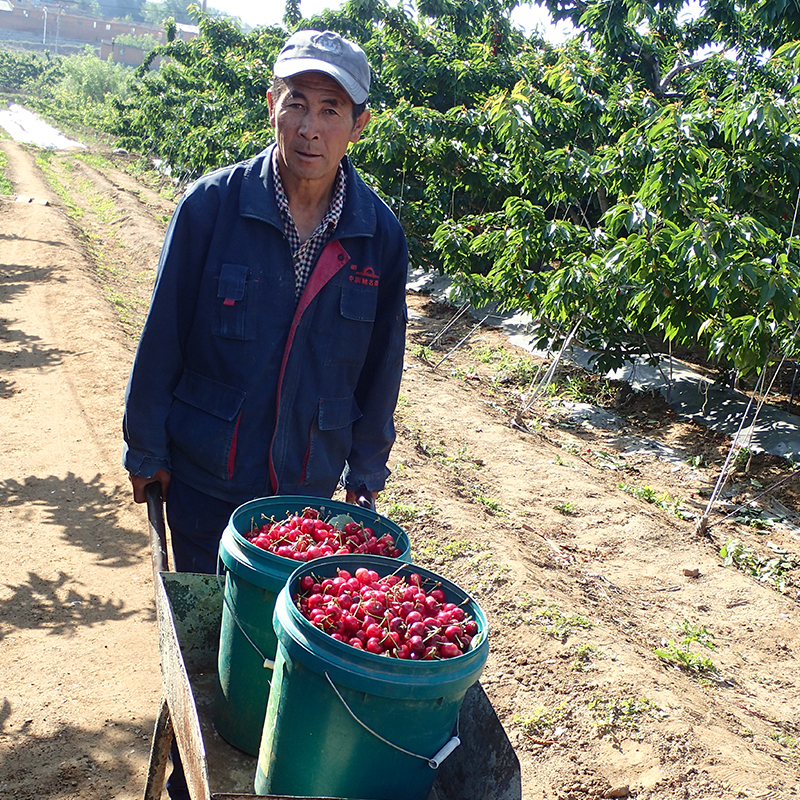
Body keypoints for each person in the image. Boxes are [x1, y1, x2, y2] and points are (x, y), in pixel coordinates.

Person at [122, 29, 408, 797]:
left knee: (290, 655)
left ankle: (280, 771)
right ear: (271, 106)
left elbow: (382, 368)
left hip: (305, 491)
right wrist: (144, 447)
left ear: (359, 124)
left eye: (331, 109)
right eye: (297, 104)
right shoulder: (212, 208)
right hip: (209, 476)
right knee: (212, 653)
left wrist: (368, 471)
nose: (310, 126)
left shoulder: (377, 234)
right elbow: (163, 335)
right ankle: (191, 778)